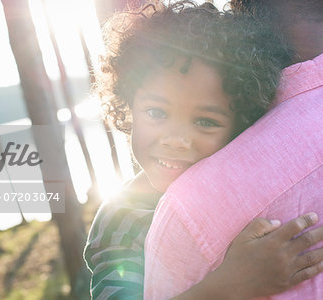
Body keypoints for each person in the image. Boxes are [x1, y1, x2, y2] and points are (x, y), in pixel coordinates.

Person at [84, 1, 323, 299]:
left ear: (241, 123)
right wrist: (232, 284)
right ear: (129, 105)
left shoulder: (241, 187)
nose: (176, 140)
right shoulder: (122, 219)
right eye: (156, 113)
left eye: (204, 121)